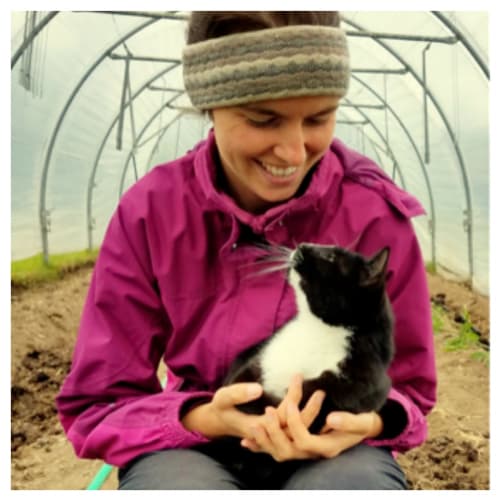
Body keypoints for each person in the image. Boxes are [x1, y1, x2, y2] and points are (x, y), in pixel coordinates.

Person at [56, 11, 436, 490]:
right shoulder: (153, 212)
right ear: (211, 105)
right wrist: (203, 417)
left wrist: (371, 421)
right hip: (197, 445)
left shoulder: (376, 217)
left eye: (318, 117)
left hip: (332, 451)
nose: (294, 152)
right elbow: (99, 400)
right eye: (263, 119)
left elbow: (410, 390)